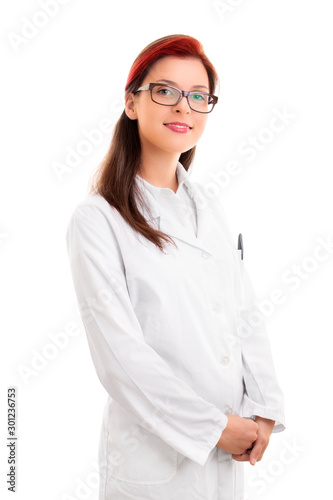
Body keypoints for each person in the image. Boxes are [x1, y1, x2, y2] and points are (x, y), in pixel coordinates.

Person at [66, 34, 286, 500]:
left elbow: (243, 310)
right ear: (131, 103)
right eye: (165, 91)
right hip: (155, 467)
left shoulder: (207, 207)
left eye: (198, 96)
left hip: (229, 455)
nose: (183, 107)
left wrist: (264, 407)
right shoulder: (98, 219)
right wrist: (213, 428)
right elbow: (119, 358)